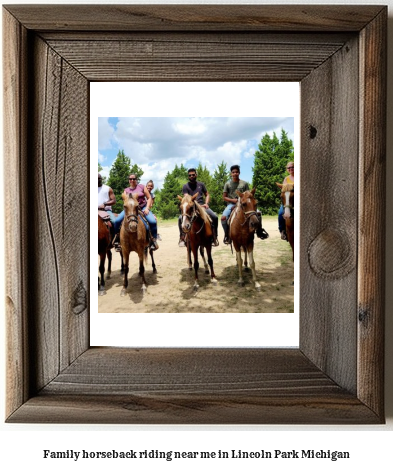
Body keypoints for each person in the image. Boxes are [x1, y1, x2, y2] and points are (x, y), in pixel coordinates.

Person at [221, 164, 267, 244]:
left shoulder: (244, 183)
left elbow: (249, 195)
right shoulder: (227, 184)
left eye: (236, 172)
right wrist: (233, 200)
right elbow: (224, 197)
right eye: (233, 172)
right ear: (231, 173)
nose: (235, 173)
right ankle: (227, 235)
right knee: (223, 217)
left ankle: (259, 231)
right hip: (232, 204)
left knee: (258, 213)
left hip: (244, 204)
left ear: (239, 173)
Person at [113, 174, 159, 251]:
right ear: (128, 180)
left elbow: (149, 198)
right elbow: (125, 202)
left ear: (136, 180)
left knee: (153, 221)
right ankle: (117, 240)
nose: (132, 180)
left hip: (142, 208)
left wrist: (147, 208)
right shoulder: (126, 190)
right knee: (117, 221)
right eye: (130, 179)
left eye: (134, 179)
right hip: (130, 209)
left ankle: (153, 240)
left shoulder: (141, 187)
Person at [178, 168, 219, 247]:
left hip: (202, 206)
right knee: (180, 218)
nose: (191, 176)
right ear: (188, 176)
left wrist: (206, 203)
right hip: (191, 207)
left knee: (215, 217)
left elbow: (207, 194)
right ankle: (182, 238)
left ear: (196, 175)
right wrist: (194, 205)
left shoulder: (201, 184)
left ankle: (214, 237)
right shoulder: (185, 186)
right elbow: (187, 198)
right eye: (190, 175)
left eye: (193, 175)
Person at [98, 173, 116, 243]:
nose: (97, 180)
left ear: (101, 179)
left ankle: (116, 240)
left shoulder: (108, 188)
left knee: (114, 221)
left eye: (98, 179)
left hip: (105, 210)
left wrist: (105, 204)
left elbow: (114, 200)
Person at [278, 161, 294, 240]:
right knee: (280, 212)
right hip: (288, 200)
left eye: (292, 167)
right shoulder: (286, 179)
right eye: (289, 168)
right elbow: (284, 190)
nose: (291, 169)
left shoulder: (299, 176)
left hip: (296, 200)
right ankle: (283, 231)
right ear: (287, 169)